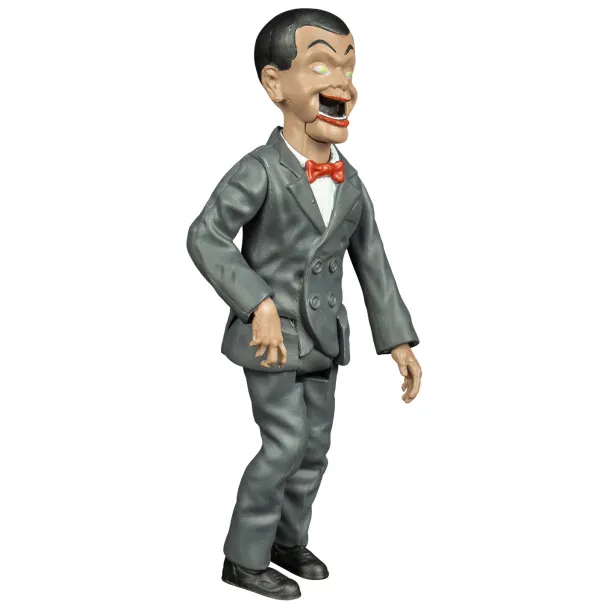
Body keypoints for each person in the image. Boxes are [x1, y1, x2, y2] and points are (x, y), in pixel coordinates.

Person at [187, 8, 422, 601]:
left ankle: (287, 541)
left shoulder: (351, 181)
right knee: (285, 445)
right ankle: (243, 557)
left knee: (315, 450)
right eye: (321, 65)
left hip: (326, 339)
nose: (341, 81)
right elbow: (206, 235)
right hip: (272, 340)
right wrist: (257, 302)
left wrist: (397, 340)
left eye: (349, 66)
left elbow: (374, 263)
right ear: (275, 84)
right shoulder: (259, 170)